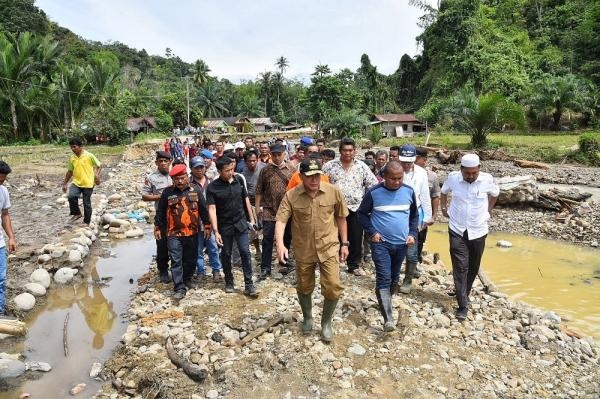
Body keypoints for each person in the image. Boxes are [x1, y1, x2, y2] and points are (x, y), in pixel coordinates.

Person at [275, 158, 349, 343]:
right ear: (301, 177)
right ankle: (308, 317)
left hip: (329, 247)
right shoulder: (292, 195)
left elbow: (341, 218)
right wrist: (280, 245)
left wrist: (345, 243)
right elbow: (281, 220)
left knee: (332, 286)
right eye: (309, 177)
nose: (314, 180)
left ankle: (326, 323)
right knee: (304, 286)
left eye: (317, 175)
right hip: (304, 249)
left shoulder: (333, 191)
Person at [357, 161, 418, 331]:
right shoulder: (374, 193)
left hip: (402, 243)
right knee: (383, 276)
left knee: (394, 277)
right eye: (393, 179)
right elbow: (361, 214)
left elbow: (414, 216)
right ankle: (388, 319)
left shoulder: (409, 191)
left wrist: (413, 234)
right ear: (384, 177)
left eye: (400, 178)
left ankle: (387, 302)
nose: (397, 182)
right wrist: (371, 232)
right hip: (381, 243)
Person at [440, 154, 499, 321]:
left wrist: (488, 210)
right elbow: (443, 192)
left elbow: (495, 194)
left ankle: (464, 293)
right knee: (460, 266)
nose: (471, 176)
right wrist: (444, 208)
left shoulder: (487, 179)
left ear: (479, 168)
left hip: (478, 229)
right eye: (467, 173)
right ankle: (462, 305)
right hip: (457, 228)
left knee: (473, 265)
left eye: (474, 173)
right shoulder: (453, 178)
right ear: (461, 170)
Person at [155, 164, 212, 300]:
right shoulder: (167, 193)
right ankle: (179, 287)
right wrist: (157, 227)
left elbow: (203, 210)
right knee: (176, 260)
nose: (180, 181)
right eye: (176, 179)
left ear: (187, 177)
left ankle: (187, 279)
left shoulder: (196, 190)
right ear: (173, 180)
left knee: (191, 259)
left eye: (182, 178)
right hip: (173, 233)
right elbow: (161, 212)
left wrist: (207, 226)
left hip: (192, 232)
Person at [322, 137, 378, 276]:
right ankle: (332, 262)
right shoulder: (329, 166)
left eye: (350, 150)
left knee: (356, 236)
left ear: (355, 151)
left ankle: (353, 264)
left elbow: (373, 185)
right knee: (333, 235)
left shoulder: (361, 166)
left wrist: (368, 204)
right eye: (345, 150)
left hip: (355, 208)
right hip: (333, 208)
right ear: (340, 151)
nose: (347, 153)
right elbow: (321, 184)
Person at [206, 157, 258, 296]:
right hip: (224, 226)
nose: (230, 172)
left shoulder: (239, 180)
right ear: (219, 171)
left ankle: (249, 284)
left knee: (245, 252)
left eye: (231, 169)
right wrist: (215, 231)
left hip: (240, 223)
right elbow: (212, 209)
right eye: (227, 170)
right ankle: (229, 281)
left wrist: (252, 219)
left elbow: (246, 200)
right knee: (226, 253)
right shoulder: (212, 187)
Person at [255, 143, 296, 280]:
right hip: (269, 209)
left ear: (284, 154)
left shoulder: (292, 169)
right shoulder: (265, 170)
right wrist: (256, 207)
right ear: (270, 155)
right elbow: (259, 189)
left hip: (287, 210)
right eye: (274, 155)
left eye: (279, 155)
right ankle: (265, 267)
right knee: (267, 238)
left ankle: (283, 261)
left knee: (286, 237)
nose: (277, 158)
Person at [396, 144, 433, 294]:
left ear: (415, 159)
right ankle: (392, 278)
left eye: (409, 161)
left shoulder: (421, 173)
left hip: (413, 215)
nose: (406, 165)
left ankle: (408, 279)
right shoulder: (392, 169)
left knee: (411, 250)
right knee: (395, 247)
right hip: (395, 214)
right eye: (403, 161)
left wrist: (428, 216)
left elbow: (424, 195)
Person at [189, 156, 223, 281]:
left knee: (213, 247)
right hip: (195, 222)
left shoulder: (212, 183)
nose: (199, 170)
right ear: (191, 169)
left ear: (205, 167)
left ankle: (216, 270)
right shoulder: (189, 185)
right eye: (196, 168)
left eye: (201, 167)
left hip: (211, 221)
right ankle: (201, 271)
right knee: (197, 249)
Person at [141, 151, 173, 283]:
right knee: (162, 245)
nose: (164, 163)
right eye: (161, 161)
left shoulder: (176, 175)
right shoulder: (151, 178)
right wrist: (161, 197)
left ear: (170, 162)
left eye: (166, 161)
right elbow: (144, 196)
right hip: (162, 216)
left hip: (178, 216)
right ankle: (163, 271)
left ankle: (179, 269)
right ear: (156, 163)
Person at [62, 138, 102, 226]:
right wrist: (65, 183)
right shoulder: (72, 158)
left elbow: (99, 165)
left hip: (88, 183)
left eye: (74, 147)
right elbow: (70, 171)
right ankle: (77, 214)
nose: (72, 149)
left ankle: (86, 221)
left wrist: (97, 175)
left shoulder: (89, 156)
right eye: (71, 147)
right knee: (71, 196)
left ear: (80, 147)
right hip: (76, 182)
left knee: (86, 203)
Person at [415, 147, 441, 269]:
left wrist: (433, 216)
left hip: (423, 215)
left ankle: (415, 263)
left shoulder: (432, 177)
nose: (413, 161)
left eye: (416, 158)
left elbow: (435, 197)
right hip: (406, 214)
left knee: (420, 240)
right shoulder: (404, 173)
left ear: (424, 160)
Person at [240, 149, 265, 262]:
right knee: (253, 228)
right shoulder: (243, 173)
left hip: (265, 202)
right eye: (249, 161)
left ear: (258, 160)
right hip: (251, 203)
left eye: (254, 161)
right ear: (245, 162)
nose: (252, 163)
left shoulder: (264, 168)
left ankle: (267, 249)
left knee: (267, 228)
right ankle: (258, 250)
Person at [0, 161, 16, 316]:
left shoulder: (3, 191)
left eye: (3, 180)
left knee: (1, 280)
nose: (1, 182)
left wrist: (11, 237)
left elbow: (5, 215)